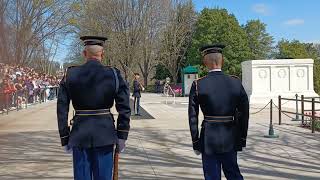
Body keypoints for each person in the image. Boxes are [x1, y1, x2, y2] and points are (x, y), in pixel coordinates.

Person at [57, 36, 131, 180]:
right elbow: (125, 107)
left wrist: (64, 137)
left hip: (79, 135)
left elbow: (62, 109)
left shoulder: (70, 74)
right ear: (102, 54)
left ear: (84, 54)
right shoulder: (114, 74)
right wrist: (122, 135)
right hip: (105, 135)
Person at [188, 44, 249, 180]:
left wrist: (195, 141)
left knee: (212, 176)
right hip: (230, 136)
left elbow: (193, 116)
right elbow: (244, 113)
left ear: (206, 62)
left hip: (208, 138)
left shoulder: (198, 84)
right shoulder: (235, 82)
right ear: (222, 60)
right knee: (233, 174)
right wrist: (241, 138)